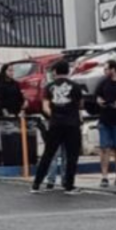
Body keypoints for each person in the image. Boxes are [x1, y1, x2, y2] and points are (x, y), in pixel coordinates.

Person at [31, 60, 84, 194]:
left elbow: (45, 106)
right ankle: (69, 185)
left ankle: (36, 184)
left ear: (55, 71)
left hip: (55, 124)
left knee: (48, 154)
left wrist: (54, 115)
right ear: (67, 70)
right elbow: (80, 105)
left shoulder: (49, 87)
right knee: (72, 155)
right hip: (72, 123)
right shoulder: (76, 87)